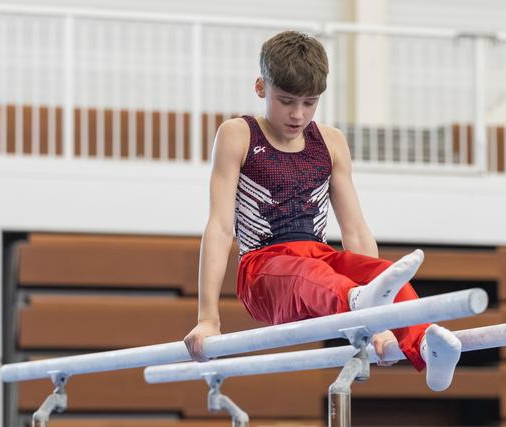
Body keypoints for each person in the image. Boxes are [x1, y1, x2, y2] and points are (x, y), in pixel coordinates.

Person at [184, 31, 461, 391]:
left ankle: (425, 347)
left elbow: (357, 231)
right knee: (309, 273)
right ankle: (360, 303)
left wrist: (377, 317)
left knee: (381, 272)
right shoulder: (238, 135)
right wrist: (208, 318)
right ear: (260, 87)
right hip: (263, 272)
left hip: (319, 260)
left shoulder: (330, 142)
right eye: (286, 101)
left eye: (309, 103)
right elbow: (220, 228)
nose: (298, 115)